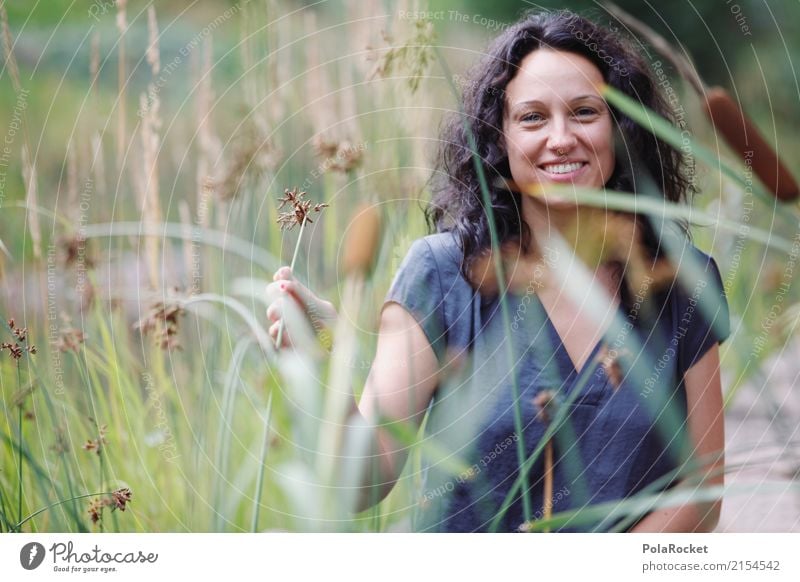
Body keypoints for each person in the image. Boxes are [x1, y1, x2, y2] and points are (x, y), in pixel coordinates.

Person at [265, 10, 729, 532]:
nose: (560, 138)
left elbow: (704, 488)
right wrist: (327, 364)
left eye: (584, 112)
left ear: (621, 129)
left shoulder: (681, 282)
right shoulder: (442, 275)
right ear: (499, 139)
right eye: (532, 117)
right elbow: (362, 482)